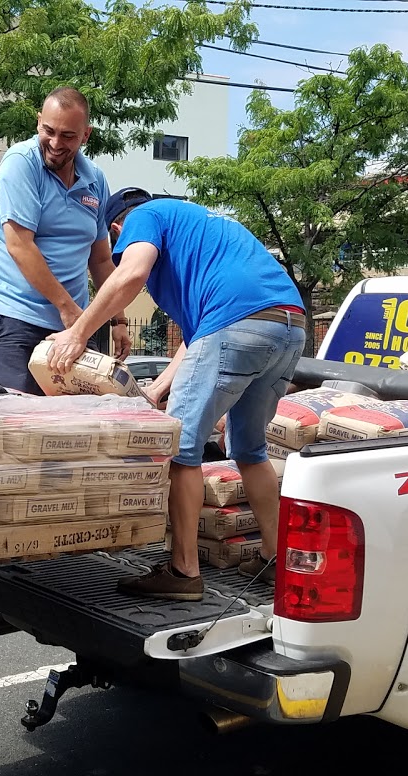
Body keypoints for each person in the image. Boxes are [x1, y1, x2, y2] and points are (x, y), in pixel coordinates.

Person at [43, 188, 305, 601]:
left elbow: (131, 275)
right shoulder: (203, 230)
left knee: (180, 449)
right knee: (250, 449)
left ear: (116, 229)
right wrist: (157, 389)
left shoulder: (145, 216)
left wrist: (78, 333)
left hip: (235, 323)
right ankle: (275, 560)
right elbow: (197, 340)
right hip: (288, 324)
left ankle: (183, 572)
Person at [0, 86, 131, 394]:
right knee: (18, 422)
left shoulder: (94, 180)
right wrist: (67, 309)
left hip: (74, 325)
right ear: (38, 122)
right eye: (48, 130)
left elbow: (101, 259)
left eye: (68, 136)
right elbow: (20, 245)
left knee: (69, 425)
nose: (55, 143)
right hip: (17, 318)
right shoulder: (20, 164)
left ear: (86, 135)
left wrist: (118, 320)